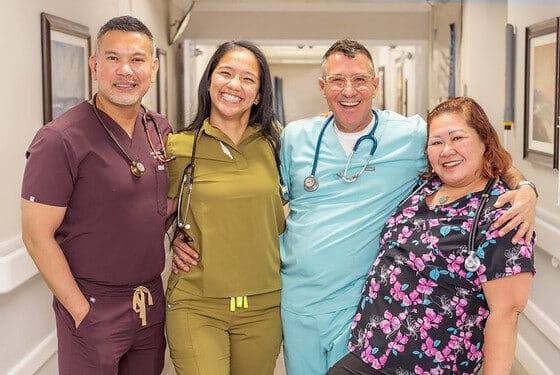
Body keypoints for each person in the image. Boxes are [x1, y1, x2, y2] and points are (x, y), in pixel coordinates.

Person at [277, 39, 537, 375]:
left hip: (358, 306)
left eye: (359, 79)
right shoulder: (296, 137)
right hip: (307, 303)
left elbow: (485, 157)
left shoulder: (412, 134)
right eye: (337, 80)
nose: (349, 90)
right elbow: (270, 200)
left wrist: (526, 188)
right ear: (323, 87)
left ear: (375, 84)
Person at [327, 96, 535, 374]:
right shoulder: (424, 187)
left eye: (457, 138)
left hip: (432, 365)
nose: (446, 150)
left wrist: (525, 188)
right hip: (371, 351)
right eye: (436, 142)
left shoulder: (502, 213)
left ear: (484, 140)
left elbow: (506, 314)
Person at [21, 16, 170, 375]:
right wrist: (79, 310)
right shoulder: (60, 139)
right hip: (92, 307)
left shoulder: (159, 130)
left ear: (153, 67)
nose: (125, 71)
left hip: (150, 304)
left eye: (137, 59)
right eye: (112, 58)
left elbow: (156, 205)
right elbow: (36, 235)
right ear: (94, 65)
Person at [164, 40, 285, 375]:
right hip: (197, 303)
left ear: (259, 94)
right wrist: (174, 235)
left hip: (263, 306)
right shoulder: (179, 148)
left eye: (248, 79)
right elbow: (154, 217)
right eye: (226, 73)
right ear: (209, 81)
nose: (234, 85)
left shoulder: (277, 145)